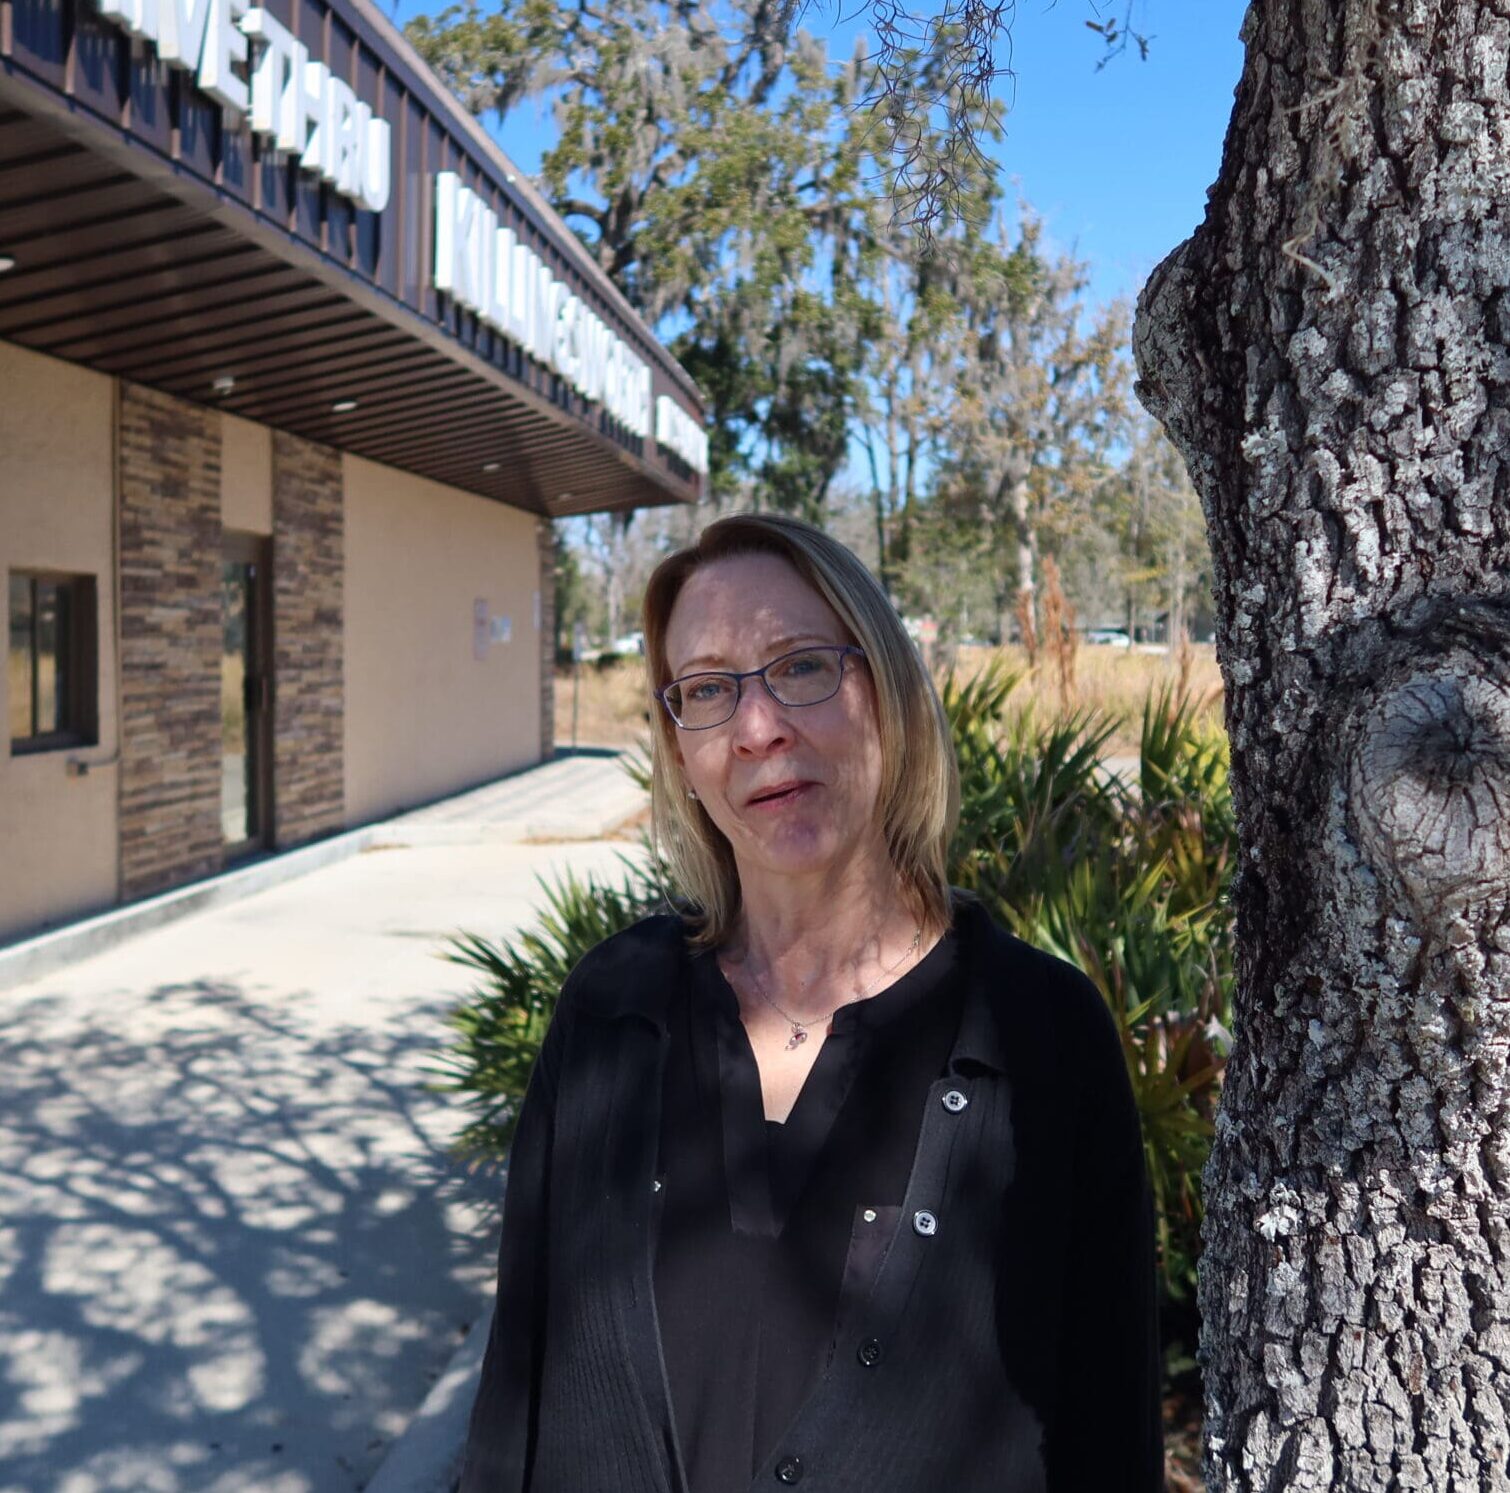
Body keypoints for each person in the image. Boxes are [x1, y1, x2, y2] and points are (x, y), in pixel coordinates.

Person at [458, 513, 1163, 1493]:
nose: (758, 729)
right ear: (678, 746)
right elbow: (511, 1407)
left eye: (799, 667)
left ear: (888, 685)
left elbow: (1104, 1435)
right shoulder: (611, 1008)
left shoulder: (1042, 1033)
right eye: (706, 689)